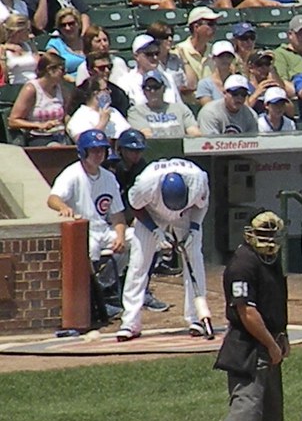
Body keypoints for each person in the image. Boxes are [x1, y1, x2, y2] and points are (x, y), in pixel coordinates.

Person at [210, 209, 302, 421]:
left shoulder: (270, 260)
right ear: (250, 233)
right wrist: (271, 344)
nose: (269, 239)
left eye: (272, 234)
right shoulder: (242, 264)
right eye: (263, 233)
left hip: (270, 343)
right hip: (247, 348)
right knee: (246, 410)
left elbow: (274, 304)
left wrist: (281, 338)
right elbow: (246, 312)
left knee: (272, 410)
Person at [116, 159, 210, 342]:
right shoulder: (145, 184)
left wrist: (194, 228)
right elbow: (135, 207)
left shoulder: (198, 180)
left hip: (186, 213)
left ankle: (196, 318)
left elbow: (202, 206)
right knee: (138, 263)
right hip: (151, 213)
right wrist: (155, 231)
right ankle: (130, 322)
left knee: (194, 258)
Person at [47, 130, 128, 267]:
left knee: (137, 239)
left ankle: (111, 278)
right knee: (91, 247)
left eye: (102, 150)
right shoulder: (72, 173)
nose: (99, 154)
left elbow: (118, 216)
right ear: (83, 152)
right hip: (84, 231)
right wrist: (63, 207)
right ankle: (92, 280)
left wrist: (121, 236)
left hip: (104, 230)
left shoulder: (109, 177)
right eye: (94, 150)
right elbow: (52, 198)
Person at [7, 50, 68, 146]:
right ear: (50, 70)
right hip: (38, 137)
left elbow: (66, 115)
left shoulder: (61, 88)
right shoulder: (31, 89)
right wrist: (39, 125)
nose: (65, 73)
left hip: (60, 135)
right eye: (62, 70)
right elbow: (13, 121)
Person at [127, 70, 201, 137]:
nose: (152, 91)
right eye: (148, 88)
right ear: (143, 91)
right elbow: (146, 135)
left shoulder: (181, 109)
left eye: (156, 87)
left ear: (164, 88)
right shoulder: (136, 111)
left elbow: (194, 132)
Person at [66, 74, 131, 141]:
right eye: (106, 89)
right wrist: (103, 122)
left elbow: (128, 131)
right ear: (96, 93)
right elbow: (84, 142)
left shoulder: (113, 111)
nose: (110, 91)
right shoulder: (79, 118)